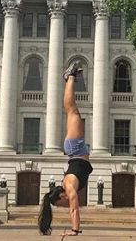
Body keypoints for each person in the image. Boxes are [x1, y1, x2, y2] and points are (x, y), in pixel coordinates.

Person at [38, 62, 93, 236]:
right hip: (76, 149)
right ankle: (70, 77)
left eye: (61, 204)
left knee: (72, 111)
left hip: (75, 148)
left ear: (61, 196)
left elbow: (74, 210)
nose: (65, 204)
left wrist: (74, 230)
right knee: (72, 111)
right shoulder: (68, 185)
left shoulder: (69, 187)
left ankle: (69, 76)